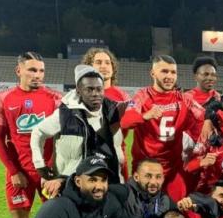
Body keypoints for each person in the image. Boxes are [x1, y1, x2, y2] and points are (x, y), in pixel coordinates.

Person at [0, 51, 62, 218]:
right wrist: (13, 170)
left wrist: (54, 172)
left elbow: (62, 138)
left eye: (41, 70)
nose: (37, 75)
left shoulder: (54, 98)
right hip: (19, 172)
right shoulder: (4, 98)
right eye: (32, 70)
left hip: (47, 173)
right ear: (18, 70)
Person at [31, 65, 124, 197]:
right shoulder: (64, 115)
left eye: (99, 89)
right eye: (89, 90)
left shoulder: (111, 112)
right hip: (71, 186)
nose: (95, 94)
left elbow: (116, 151)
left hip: (104, 186)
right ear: (78, 91)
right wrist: (39, 164)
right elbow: (38, 132)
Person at [120, 55, 205, 200]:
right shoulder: (142, 96)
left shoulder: (184, 99)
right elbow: (125, 122)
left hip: (173, 170)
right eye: (164, 71)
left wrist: (201, 130)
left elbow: (203, 116)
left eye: (173, 72)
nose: (169, 76)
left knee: (176, 216)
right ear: (153, 73)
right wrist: (145, 116)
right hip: (145, 169)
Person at [82, 47, 131, 180]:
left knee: (119, 197)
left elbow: (131, 121)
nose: (104, 66)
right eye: (98, 62)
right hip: (87, 155)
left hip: (116, 154)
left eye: (107, 62)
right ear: (89, 67)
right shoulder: (79, 94)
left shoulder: (123, 97)